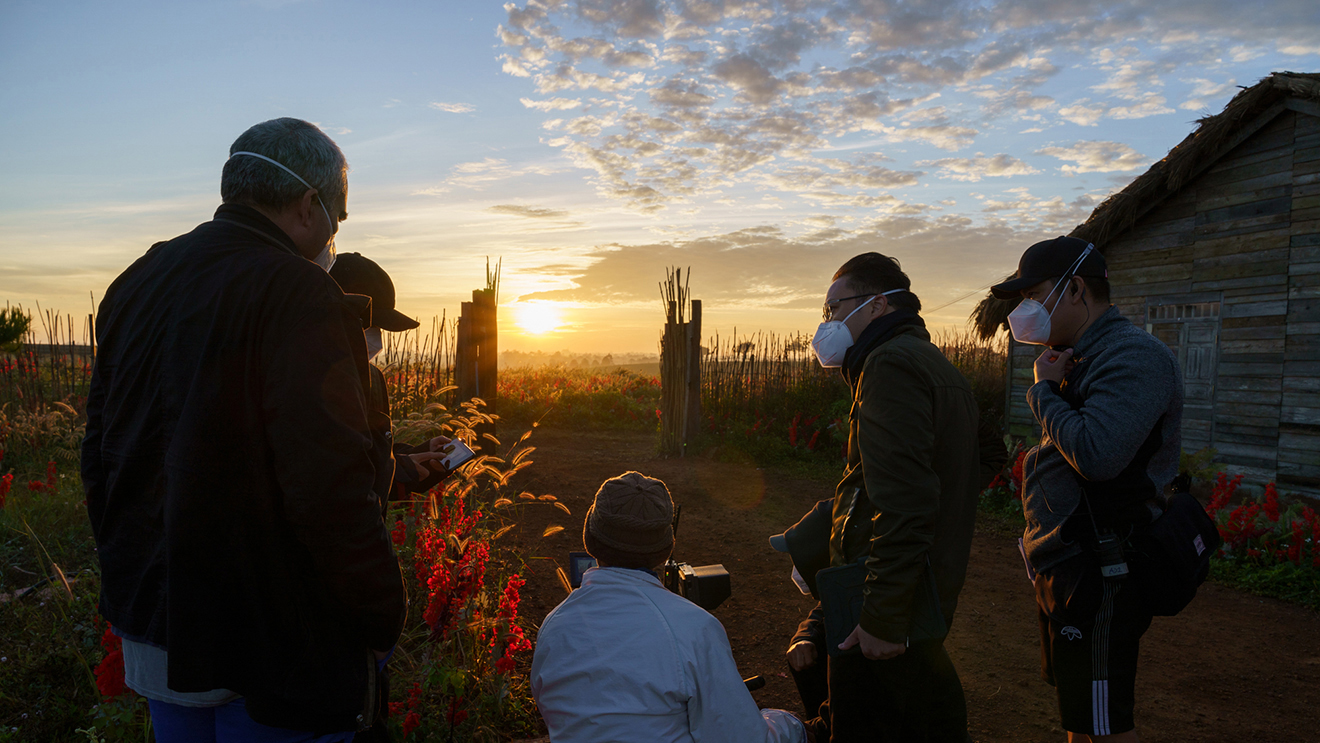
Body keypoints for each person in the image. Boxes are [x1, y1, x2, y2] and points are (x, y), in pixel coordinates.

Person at [82, 118, 406, 742]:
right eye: (338, 218)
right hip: (267, 645)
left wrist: (131, 565)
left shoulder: (138, 279)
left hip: (155, 622)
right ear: (310, 206)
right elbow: (328, 487)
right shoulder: (300, 291)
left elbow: (98, 453)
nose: (334, 238)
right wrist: (379, 610)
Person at [991, 236, 1183, 743]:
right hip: (1070, 562)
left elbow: (1097, 455)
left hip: (1105, 568)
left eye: (1033, 296)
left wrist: (1041, 393)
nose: (1023, 311)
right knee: (1083, 716)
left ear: (1075, 289)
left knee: (1105, 726)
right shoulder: (1078, 354)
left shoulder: (1134, 357)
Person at [808, 252, 981, 742]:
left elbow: (904, 502)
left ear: (877, 306)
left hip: (885, 598)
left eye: (833, 308)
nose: (827, 323)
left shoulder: (888, 366)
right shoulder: (930, 362)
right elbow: (976, 455)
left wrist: (881, 618)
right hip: (923, 583)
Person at [531, 472, 810, 743]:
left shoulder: (554, 626)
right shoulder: (693, 628)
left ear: (589, 539)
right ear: (666, 548)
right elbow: (741, 737)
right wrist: (790, 724)